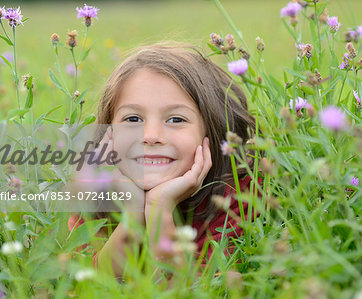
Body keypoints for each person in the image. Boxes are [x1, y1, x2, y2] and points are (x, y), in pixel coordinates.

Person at [68, 42, 262, 280]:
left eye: (176, 119)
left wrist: (159, 208)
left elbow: (186, 291)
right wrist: (134, 210)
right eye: (133, 118)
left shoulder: (238, 197)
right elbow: (92, 286)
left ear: (211, 130)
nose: (151, 136)